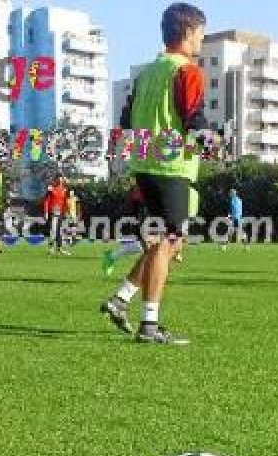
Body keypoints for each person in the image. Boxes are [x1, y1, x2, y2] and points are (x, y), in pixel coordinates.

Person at [100, 2, 208, 345]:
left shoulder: (147, 72)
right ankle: (149, 324)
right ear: (189, 32)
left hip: (145, 165)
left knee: (164, 243)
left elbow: (126, 121)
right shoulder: (187, 71)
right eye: (201, 34)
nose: (201, 41)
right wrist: (209, 142)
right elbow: (194, 121)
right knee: (169, 242)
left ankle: (121, 299)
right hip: (171, 166)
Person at [103, 179, 146, 276]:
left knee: (147, 246)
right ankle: (112, 256)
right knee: (146, 245)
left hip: (144, 209)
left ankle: (112, 256)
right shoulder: (137, 194)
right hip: (142, 210)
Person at [43, 176, 71, 256]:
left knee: (60, 231)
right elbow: (46, 201)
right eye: (61, 179)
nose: (62, 180)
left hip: (61, 213)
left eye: (63, 179)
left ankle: (59, 248)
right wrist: (46, 212)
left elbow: (65, 202)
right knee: (54, 230)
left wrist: (67, 212)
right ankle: (51, 248)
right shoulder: (51, 189)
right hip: (53, 213)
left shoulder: (65, 190)